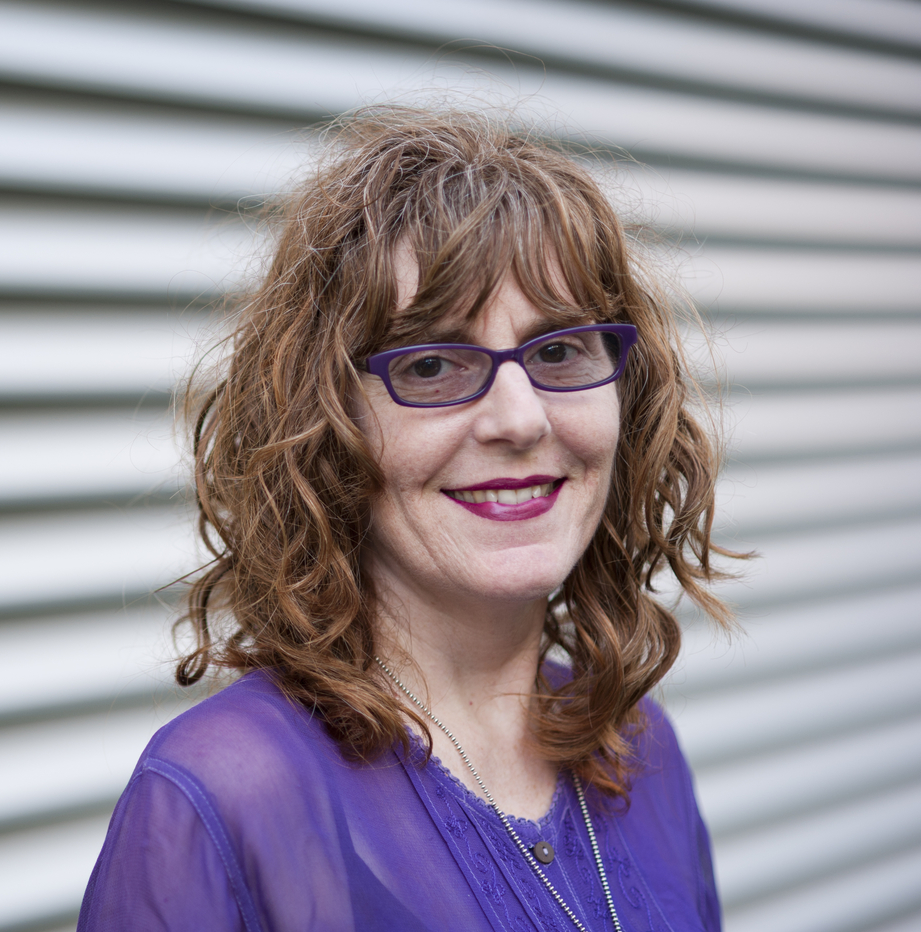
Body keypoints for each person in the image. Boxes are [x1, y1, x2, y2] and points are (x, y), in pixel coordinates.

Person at [79, 107, 735, 932]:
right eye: (431, 364)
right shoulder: (220, 801)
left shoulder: (641, 753)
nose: (520, 420)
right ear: (325, 427)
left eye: (560, 350)